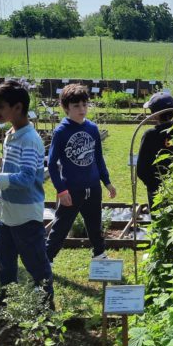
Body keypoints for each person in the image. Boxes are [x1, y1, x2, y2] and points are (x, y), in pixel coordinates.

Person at [0, 80, 52, 309]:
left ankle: (46, 303)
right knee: (4, 260)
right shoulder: (11, 134)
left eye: (0, 106)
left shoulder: (30, 140)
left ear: (18, 107)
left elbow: (27, 178)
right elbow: (13, 173)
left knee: (36, 263)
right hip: (7, 211)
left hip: (26, 214)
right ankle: (8, 295)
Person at [46, 84, 117, 263]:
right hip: (71, 189)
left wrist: (106, 181)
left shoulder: (92, 128)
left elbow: (98, 158)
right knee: (61, 226)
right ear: (65, 108)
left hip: (93, 187)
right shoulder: (61, 132)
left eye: (85, 105)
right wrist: (61, 190)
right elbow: (52, 164)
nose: (82, 109)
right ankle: (47, 260)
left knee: (95, 224)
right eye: (76, 106)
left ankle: (99, 254)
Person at [137, 91, 173, 210]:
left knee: (158, 220)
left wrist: (151, 185)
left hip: (155, 189)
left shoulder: (150, 135)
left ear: (155, 114)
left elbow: (141, 168)